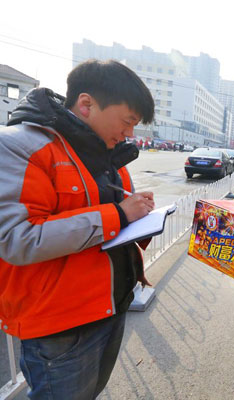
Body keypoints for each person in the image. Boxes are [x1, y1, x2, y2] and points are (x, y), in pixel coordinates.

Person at [0, 59, 155, 399]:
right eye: (128, 121)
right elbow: (18, 238)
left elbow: (115, 218)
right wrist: (119, 215)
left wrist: (141, 218)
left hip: (110, 308)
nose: (130, 134)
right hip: (60, 328)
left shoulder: (107, 153)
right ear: (86, 104)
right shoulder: (22, 146)